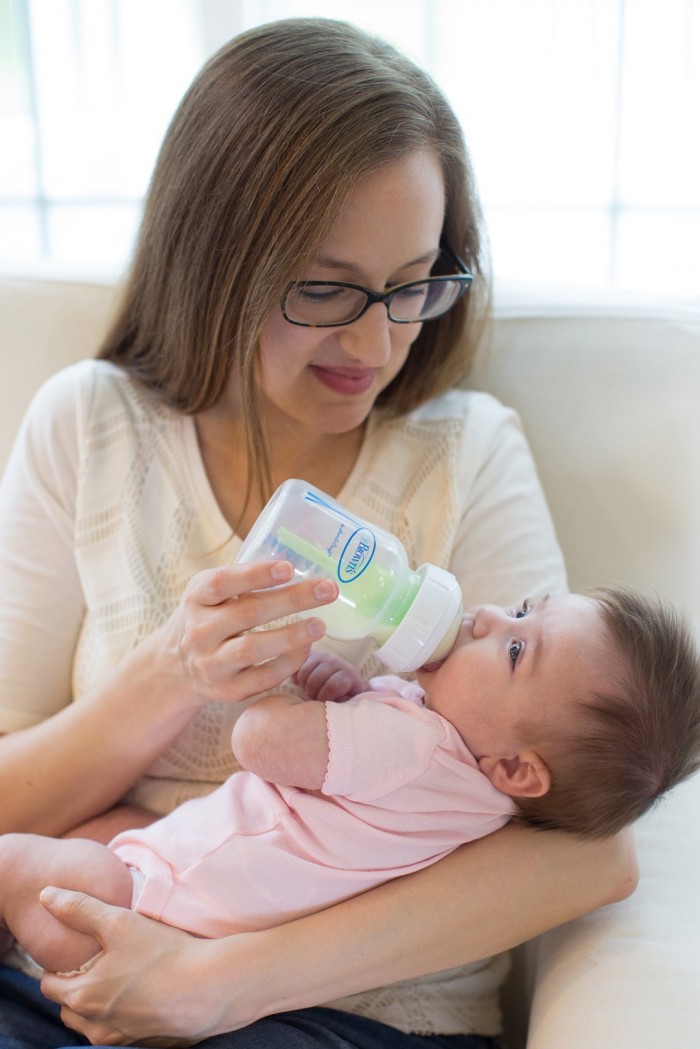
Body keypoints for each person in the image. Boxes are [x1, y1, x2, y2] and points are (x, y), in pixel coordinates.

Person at [0, 16, 639, 1049]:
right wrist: (172, 671)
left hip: (353, 1016)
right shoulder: (90, 427)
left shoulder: (462, 452)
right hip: (68, 979)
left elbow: (586, 851)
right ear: (213, 258)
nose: (377, 338)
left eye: (413, 281)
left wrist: (217, 980)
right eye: (326, 286)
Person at [1, 586, 698, 978]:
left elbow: (258, 740)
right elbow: (361, 791)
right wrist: (350, 698)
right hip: (183, 916)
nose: (487, 616)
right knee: (99, 825)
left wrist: (286, 683)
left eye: (515, 648)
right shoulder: (476, 794)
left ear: (520, 767)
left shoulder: (416, 745)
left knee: (13, 860)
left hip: (139, 911)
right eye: (522, 604)